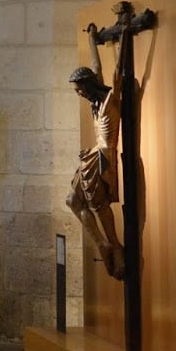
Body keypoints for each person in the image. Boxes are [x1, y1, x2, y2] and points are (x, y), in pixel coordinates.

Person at [66, 43, 127, 279]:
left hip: (104, 157)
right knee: (72, 200)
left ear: (89, 85)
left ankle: (117, 246)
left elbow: (118, 72)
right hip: (92, 156)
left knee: (99, 207)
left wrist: (123, 32)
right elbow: (96, 66)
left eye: (80, 89)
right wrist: (91, 38)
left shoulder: (111, 99)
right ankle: (102, 243)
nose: (79, 94)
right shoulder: (94, 104)